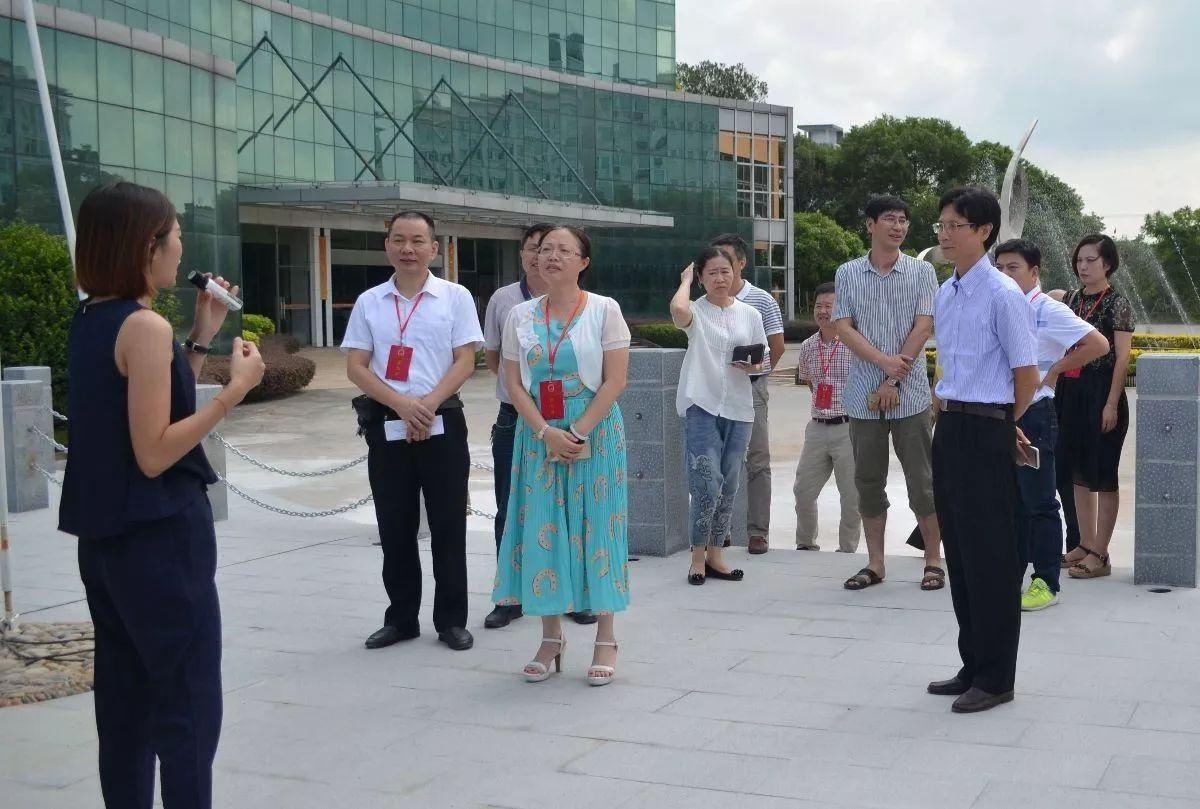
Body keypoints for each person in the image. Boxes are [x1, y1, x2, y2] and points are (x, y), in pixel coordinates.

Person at [59, 181, 265, 807]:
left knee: (123, 704)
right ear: (148, 246)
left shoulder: (96, 317)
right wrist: (235, 390)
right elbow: (154, 451)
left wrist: (201, 337)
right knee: (187, 705)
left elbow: (150, 411)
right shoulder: (143, 326)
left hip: (108, 539)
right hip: (161, 540)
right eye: (175, 237)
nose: (181, 250)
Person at [492, 226, 631, 686]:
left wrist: (575, 430)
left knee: (598, 525)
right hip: (539, 433)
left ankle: (605, 637)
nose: (552, 257)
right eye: (544, 249)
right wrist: (546, 432)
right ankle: (551, 636)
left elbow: (614, 380)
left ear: (583, 261)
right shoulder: (520, 315)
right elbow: (513, 382)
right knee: (543, 526)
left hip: (594, 428)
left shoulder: (605, 310)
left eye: (564, 250)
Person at [342, 211, 483, 653]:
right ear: (387, 246)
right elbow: (356, 367)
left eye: (418, 240)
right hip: (388, 422)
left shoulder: (455, 297)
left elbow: (465, 360)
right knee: (395, 525)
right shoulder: (369, 301)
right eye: (399, 240)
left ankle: (451, 621)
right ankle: (401, 618)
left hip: (443, 419)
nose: (408, 248)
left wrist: (428, 403)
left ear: (434, 249)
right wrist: (402, 405)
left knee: (447, 525)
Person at [927, 187, 1038, 713]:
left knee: (992, 555)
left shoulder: (1003, 293)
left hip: (986, 430)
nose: (945, 234)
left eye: (955, 225)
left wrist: (1002, 425)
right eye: (942, 225)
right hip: (949, 429)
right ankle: (972, 662)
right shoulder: (946, 292)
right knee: (962, 553)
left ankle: (997, 678)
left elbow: (1027, 375)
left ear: (984, 231)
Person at [833, 195, 943, 591]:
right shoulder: (847, 273)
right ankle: (875, 564)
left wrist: (893, 379)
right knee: (868, 482)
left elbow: (923, 325)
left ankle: (933, 560)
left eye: (903, 221)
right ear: (870, 225)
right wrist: (882, 365)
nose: (897, 227)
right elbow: (843, 326)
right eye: (889, 219)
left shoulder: (921, 272)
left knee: (923, 481)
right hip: (864, 395)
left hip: (909, 395)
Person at [995, 240, 1109, 611]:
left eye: (1013, 268)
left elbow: (1098, 343)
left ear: (1034, 272)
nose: (1004, 275)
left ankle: (1046, 580)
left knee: (1040, 501)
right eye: (999, 268)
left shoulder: (1046, 309)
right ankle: (1011, 575)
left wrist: (1055, 369)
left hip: (1034, 416)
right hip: (1000, 413)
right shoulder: (999, 305)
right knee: (1011, 501)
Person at [671, 249, 769, 584]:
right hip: (703, 404)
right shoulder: (696, 311)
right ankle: (697, 557)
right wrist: (684, 281)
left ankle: (716, 554)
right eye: (711, 272)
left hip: (739, 407)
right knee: (705, 480)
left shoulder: (750, 314)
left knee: (730, 482)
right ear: (701, 278)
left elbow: (763, 359)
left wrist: (754, 365)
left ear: (736, 273)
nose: (719, 278)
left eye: (725, 271)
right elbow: (678, 310)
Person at [481, 222, 552, 630]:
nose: (541, 255)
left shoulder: (584, 303)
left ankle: (572, 593)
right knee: (509, 506)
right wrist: (520, 389)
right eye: (533, 248)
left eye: (550, 247)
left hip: (565, 419)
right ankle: (510, 595)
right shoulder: (504, 300)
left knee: (564, 506)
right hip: (513, 418)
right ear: (523, 254)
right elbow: (493, 358)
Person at [1054, 235, 1135, 579]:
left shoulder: (1117, 303)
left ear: (1108, 264)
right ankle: (1084, 544)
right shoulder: (1070, 299)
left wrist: (1111, 404)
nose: (1083, 266)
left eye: (1091, 260)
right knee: (1077, 473)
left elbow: (1121, 358)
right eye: (1079, 260)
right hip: (1071, 391)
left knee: (1103, 475)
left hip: (1102, 392)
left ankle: (1101, 553)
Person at [710, 233, 785, 554]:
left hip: (751, 390)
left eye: (727, 260)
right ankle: (720, 529)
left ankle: (757, 531)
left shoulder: (762, 300)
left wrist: (756, 373)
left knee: (756, 460)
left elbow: (777, 346)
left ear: (741, 263)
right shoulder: (707, 302)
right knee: (718, 461)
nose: (720, 268)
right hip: (714, 393)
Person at [793, 282, 860, 553]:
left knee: (851, 496)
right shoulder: (808, 346)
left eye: (828, 306)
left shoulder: (855, 342)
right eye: (818, 306)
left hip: (849, 428)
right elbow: (810, 382)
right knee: (803, 491)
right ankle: (806, 544)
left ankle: (847, 550)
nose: (822, 311)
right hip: (817, 428)